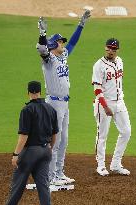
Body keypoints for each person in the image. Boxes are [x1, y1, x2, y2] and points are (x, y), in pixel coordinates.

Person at [36, 10, 91, 185]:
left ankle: (59, 173)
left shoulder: (64, 55)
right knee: (55, 140)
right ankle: (50, 176)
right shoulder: (49, 59)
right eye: (60, 41)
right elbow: (42, 49)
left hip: (65, 104)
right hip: (53, 104)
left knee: (64, 139)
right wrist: (42, 33)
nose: (63, 44)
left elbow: (73, 42)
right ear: (53, 44)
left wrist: (81, 25)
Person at [6, 81, 59, 205]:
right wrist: (50, 148)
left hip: (30, 152)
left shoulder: (27, 110)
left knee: (17, 185)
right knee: (43, 186)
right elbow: (54, 134)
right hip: (46, 151)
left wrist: (15, 154)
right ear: (40, 92)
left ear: (28, 92)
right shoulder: (51, 109)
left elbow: (24, 136)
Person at [92, 38, 131, 176]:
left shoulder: (120, 61)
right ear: (105, 48)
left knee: (126, 131)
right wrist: (105, 105)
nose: (110, 51)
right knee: (102, 135)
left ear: (117, 50)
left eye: (113, 49)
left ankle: (115, 164)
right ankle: (101, 165)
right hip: (104, 103)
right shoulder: (99, 65)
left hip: (119, 102)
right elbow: (97, 89)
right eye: (108, 48)